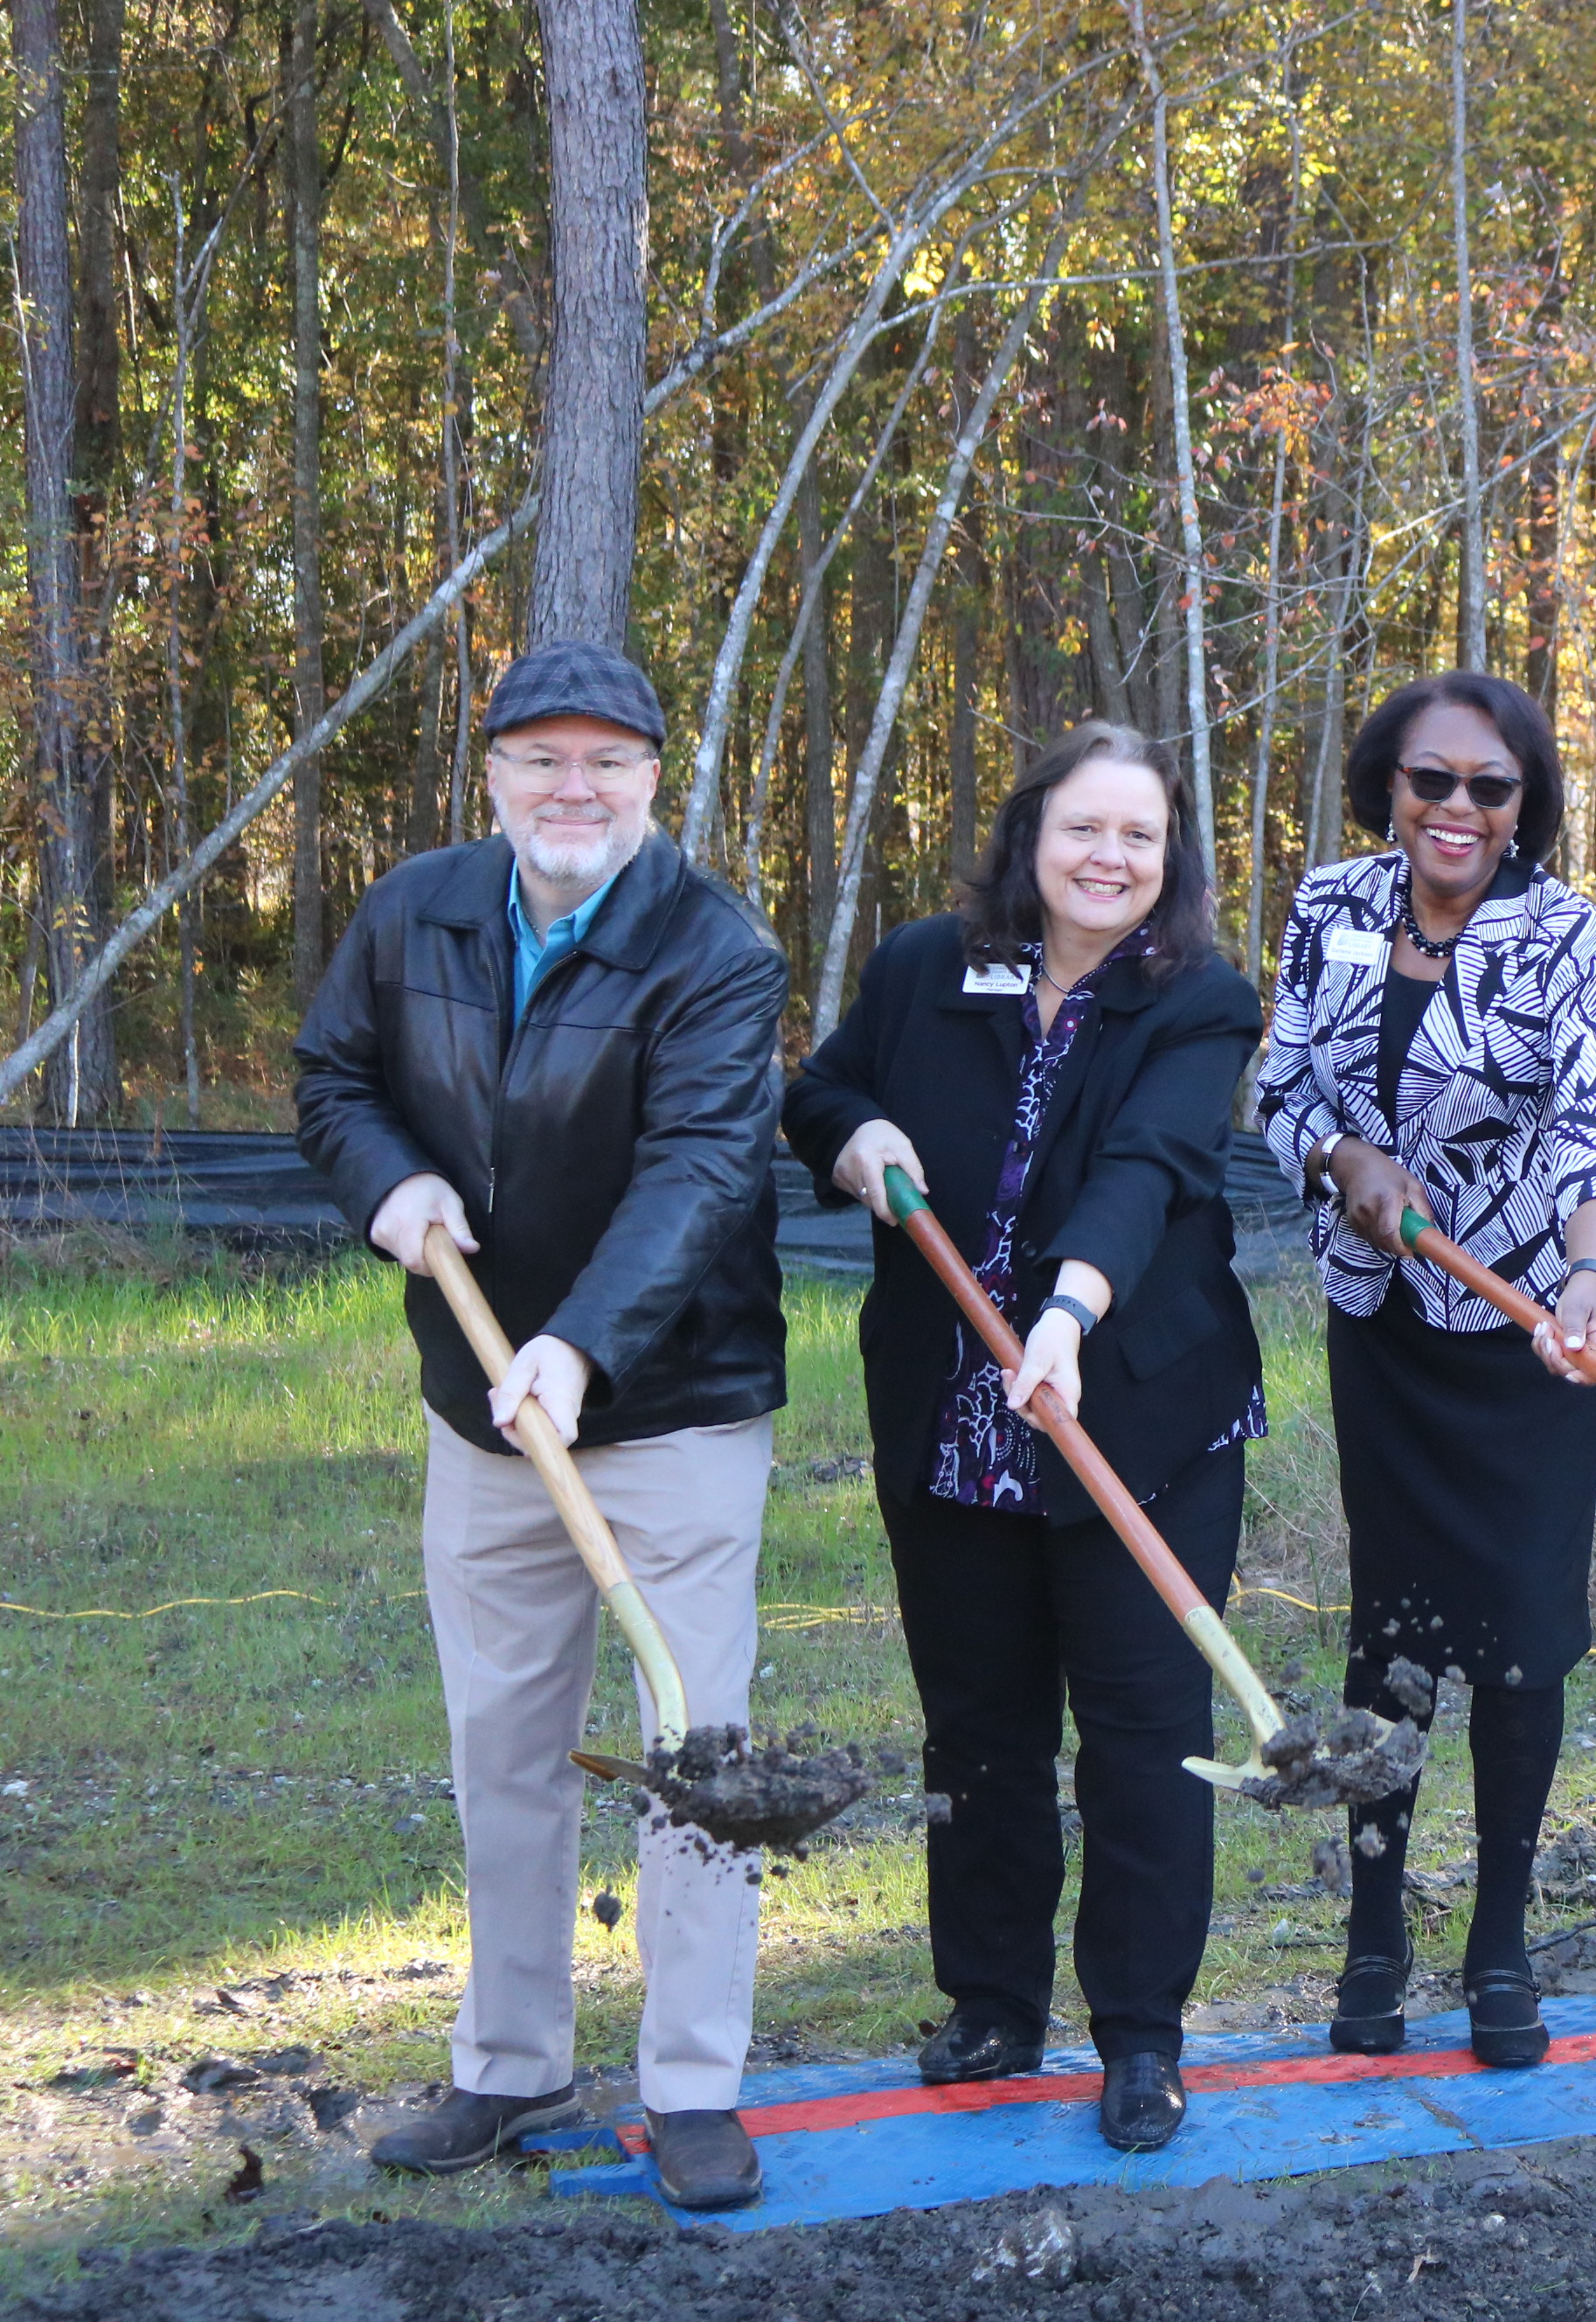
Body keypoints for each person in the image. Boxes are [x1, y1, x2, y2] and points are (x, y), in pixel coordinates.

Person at [292, 642, 788, 2210]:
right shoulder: (413, 909)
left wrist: (579, 1348)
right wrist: (390, 1183)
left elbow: (701, 1172)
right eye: (541, 758)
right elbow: (332, 1078)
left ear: (655, 778)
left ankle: (694, 2082)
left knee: (690, 1747)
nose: (575, 788)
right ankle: (510, 2066)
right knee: (504, 1748)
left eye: (608, 761)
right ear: (491, 771)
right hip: (478, 1408)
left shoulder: (715, 950)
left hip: (674, 1409)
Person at [781, 721, 1262, 2154]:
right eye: (1084, 829)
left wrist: (1070, 1311)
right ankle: (991, 2001)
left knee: (1144, 1733)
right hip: (952, 1414)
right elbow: (824, 1086)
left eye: (1140, 837)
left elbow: (1150, 1166)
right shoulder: (933, 968)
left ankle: (1141, 2039)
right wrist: (851, 1138)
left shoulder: (1198, 1001)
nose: (1110, 859)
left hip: (1131, 1409)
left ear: (1167, 863)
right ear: (1029, 836)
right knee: (980, 1726)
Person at [1254, 671, 1596, 2070]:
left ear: (1526, 802)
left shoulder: (1567, 938)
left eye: (1492, 787)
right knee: (1395, 1632)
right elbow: (1285, 1083)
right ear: (1389, 788)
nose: (1459, 809)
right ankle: (1376, 1929)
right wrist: (1348, 1159)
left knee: (1524, 1636)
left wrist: (1592, 1282)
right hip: (1388, 1321)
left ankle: (1500, 1936)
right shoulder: (1332, 910)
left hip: (1537, 1329)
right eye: (1433, 782)